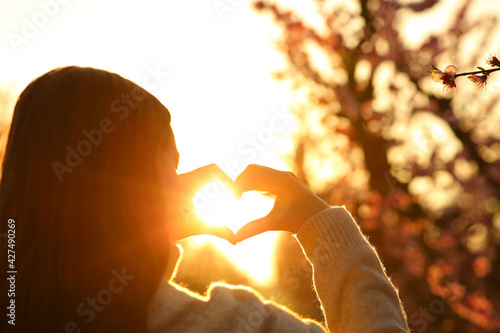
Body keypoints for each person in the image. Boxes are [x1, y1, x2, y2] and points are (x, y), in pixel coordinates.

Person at [0, 66, 409, 332]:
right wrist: (322, 226)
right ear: (136, 182)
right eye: (171, 165)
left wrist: (151, 237)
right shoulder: (226, 325)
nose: (181, 180)